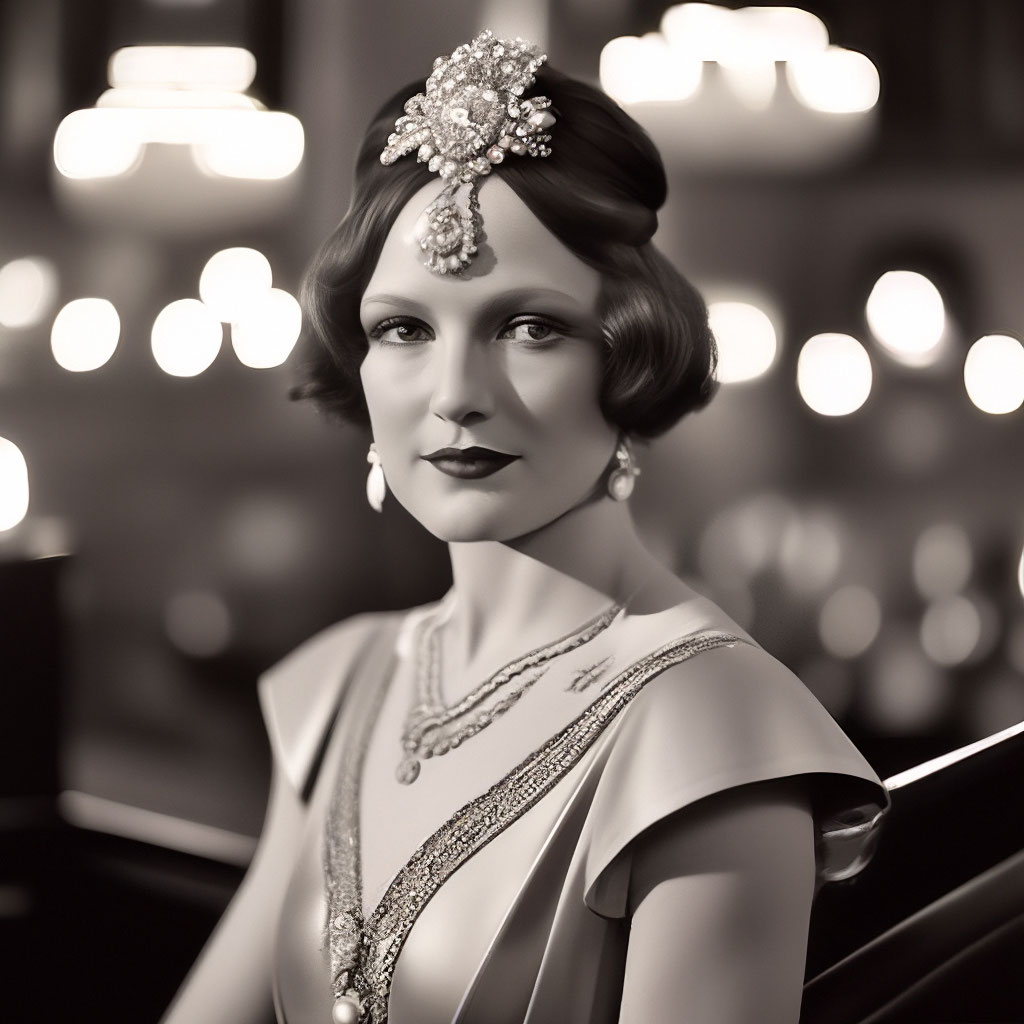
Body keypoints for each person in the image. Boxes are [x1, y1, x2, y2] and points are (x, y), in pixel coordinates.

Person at [163, 30, 889, 1024]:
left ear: (626, 355)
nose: (456, 393)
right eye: (404, 329)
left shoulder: (713, 731)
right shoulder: (345, 685)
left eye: (529, 327)